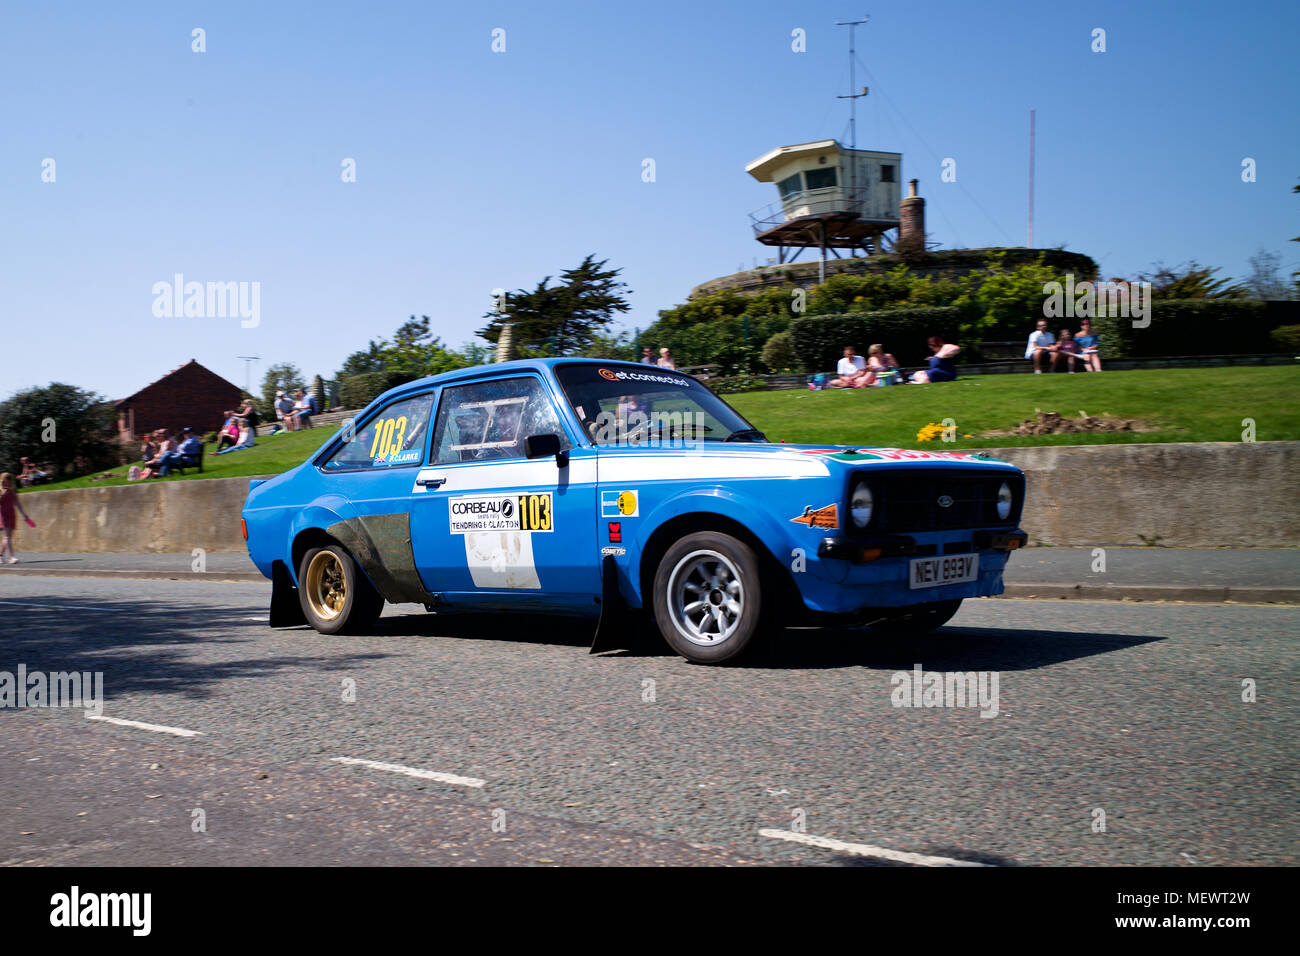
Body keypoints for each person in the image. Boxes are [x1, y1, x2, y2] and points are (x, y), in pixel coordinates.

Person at [0, 472, 34, 564]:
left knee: (7, 537)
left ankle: (0, 555)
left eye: (9, 481)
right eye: (6, 482)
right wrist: (3, 494)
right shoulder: (0, 490)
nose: (8, 483)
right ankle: (12, 557)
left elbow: (17, 504)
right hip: (3, 515)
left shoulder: (12, 491)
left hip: (11, 515)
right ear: (2, 481)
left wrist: (24, 515)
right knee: (7, 537)